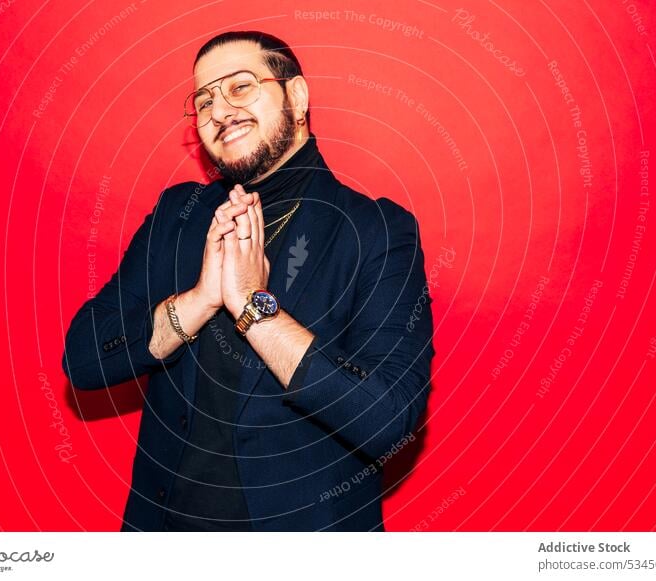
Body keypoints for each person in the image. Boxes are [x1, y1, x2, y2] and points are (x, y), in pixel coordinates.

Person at [62, 30, 435, 531]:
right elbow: (83, 359)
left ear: (297, 97)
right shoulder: (180, 215)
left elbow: (387, 419)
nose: (219, 111)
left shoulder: (375, 231)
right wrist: (197, 302)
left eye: (240, 87)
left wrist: (252, 307)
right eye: (204, 100)